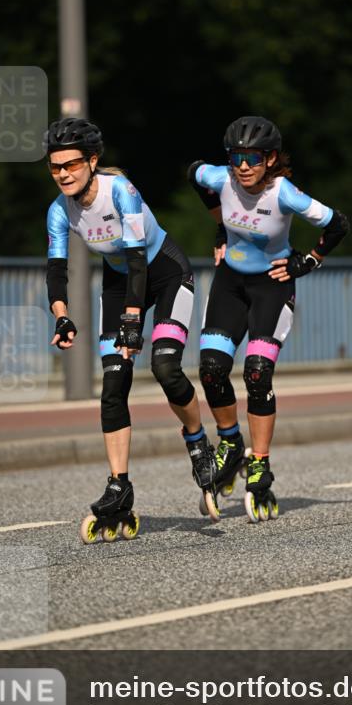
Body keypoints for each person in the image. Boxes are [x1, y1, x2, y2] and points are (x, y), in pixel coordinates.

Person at [44, 117, 217, 544]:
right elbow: (56, 270)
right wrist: (62, 315)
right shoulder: (58, 210)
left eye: (71, 164)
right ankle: (119, 485)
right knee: (113, 383)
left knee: (165, 366)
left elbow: (139, 258)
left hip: (165, 273)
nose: (63, 173)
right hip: (120, 283)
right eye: (55, 167)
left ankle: (198, 443)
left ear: (93, 161)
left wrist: (132, 320)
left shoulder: (121, 191)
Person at [188, 115, 349, 523]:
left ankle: (259, 461)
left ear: (270, 158)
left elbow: (338, 224)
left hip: (271, 287)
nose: (243, 166)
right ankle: (229, 441)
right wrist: (221, 234)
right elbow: (193, 173)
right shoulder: (220, 177)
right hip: (229, 284)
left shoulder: (285, 194)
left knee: (257, 372)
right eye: (236, 157)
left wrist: (307, 261)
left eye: (253, 158)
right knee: (210, 369)